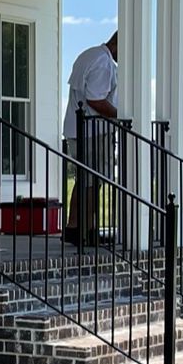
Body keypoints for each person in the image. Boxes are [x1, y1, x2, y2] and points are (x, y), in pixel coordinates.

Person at [64, 32, 118, 244]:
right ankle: (85, 231)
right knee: (92, 181)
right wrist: (121, 116)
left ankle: (75, 227)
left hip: (79, 129)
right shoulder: (103, 62)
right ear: (118, 44)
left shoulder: (90, 55)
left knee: (85, 180)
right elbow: (96, 100)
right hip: (92, 132)